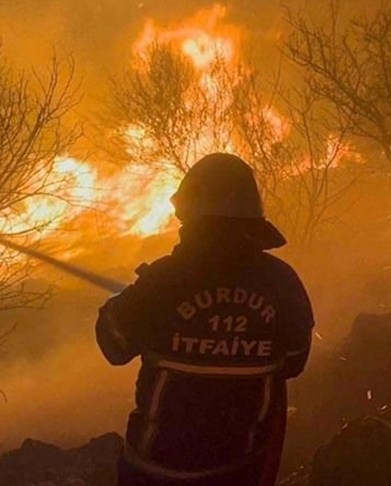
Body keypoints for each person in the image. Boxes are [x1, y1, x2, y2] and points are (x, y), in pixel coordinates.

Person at [96, 153, 314, 486]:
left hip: (155, 471)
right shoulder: (282, 283)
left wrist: (131, 302)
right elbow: (295, 361)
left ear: (191, 216)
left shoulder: (163, 281)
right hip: (240, 469)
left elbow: (113, 346)